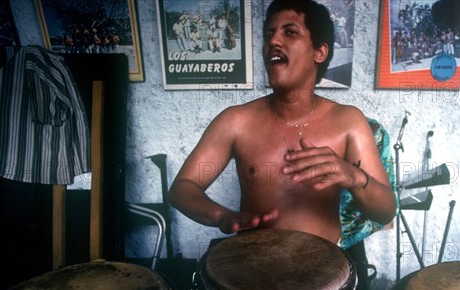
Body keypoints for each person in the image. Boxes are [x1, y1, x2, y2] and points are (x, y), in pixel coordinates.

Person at [168, 0, 396, 246]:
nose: (273, 42)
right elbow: (182, 188)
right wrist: (222, 216)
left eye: (290, 32)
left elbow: (385, 211)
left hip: (325, 273)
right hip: (252, 270)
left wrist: (353, 177)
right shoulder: (235, 121)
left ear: (319, 52)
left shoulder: (349, 122)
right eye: (269, 35)